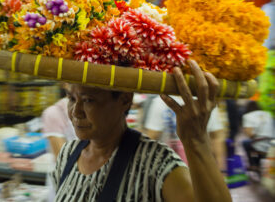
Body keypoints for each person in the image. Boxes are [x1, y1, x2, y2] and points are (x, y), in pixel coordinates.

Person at [51, 60, 232, 201]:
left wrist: (196, 140)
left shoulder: (155, 163)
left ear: (124, 100)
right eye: (71, 98)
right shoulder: (68, 154)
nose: (76, 112)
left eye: (88, 100)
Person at [144, 95, 227, 171]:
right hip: (178, 169)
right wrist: (221, 169)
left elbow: (152, 137)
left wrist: (221, 168)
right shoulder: (205, 100)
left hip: (174, 169)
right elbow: (217, 137)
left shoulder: (161, 101)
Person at [242, 100, 275, 172]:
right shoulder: (268, 114)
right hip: (271, 144)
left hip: (258, 144)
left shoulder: (247, 116)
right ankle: (258, 164)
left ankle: (254, 165)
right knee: (253, 144)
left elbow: (250, 134)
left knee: (246, 143)